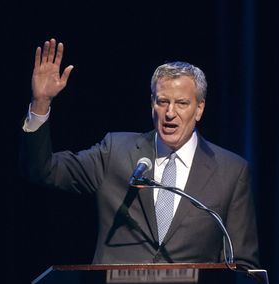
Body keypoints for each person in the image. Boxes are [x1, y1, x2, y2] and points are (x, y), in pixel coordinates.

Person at [21, 38, 260, 269]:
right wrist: (40, 103)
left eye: (182, 103)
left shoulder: (231, 172)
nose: (169, 113)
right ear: (152, 103)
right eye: (162, 101)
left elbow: (243, 265)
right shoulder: (115, 151)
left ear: (199, 108)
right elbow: (44, 170)